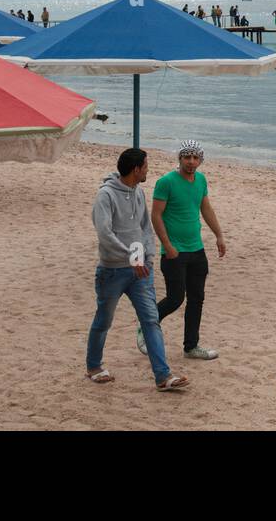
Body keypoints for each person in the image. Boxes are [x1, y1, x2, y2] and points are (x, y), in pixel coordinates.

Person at [86, 148, 189, 392]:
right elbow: (104, 233)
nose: (147, 169)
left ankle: (163, 376)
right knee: (104, 320)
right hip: (112, 271)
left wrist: (148, 257)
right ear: (136, 169)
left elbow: (145, 227)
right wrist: (132, 256)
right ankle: (93, 366)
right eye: (145, 166)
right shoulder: (106, 195)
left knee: (151, 320)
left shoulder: (139, 192)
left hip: (141, 271)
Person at [138, 140, 223, 361]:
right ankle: (145, 328)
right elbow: (156, 215)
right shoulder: (166, 182)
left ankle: (191, 347)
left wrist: (219, 235)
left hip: (197, 249)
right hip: (174, 251)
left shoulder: (201, 180)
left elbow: (206, 208)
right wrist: (167, 245)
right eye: (187, 157)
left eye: (196, 158)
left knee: (197, 299)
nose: (191, 162)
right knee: (176, 298)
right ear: (180, 158)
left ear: (201, 160)